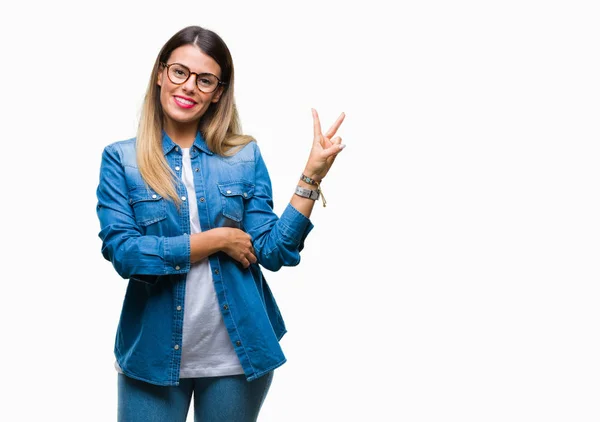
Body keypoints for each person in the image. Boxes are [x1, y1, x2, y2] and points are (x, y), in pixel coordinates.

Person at [96, 25, 345, 421]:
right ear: (161, 73)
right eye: (180, 72)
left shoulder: (243, 155)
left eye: (205, 79)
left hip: (236, 355)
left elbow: (273, 250)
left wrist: (311, 175)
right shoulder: (122, 160)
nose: (189, 86)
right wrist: (214, 240)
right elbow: (125, 253)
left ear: (217, 92)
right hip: (152, 354)